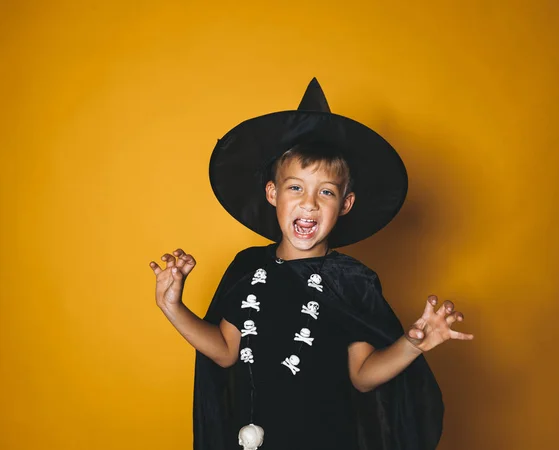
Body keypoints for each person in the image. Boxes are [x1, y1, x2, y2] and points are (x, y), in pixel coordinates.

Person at [149, 79, 473, 450]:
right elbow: (225, 350)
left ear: (346, 204)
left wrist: (412, 345)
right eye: (296, 187)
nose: (310, 203)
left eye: (327, 192)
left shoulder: (353, 282)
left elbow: (364, 376)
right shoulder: (247, 267)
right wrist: (171, 306)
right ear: (273, 193)